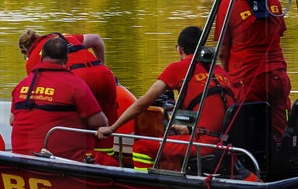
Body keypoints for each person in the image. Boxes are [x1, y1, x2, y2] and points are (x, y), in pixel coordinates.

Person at [98, 25, 236, 169]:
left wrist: (112, 128)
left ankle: (145, 187)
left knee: (141, 147)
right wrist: (189, 129)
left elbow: (143, 103)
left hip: (205, 144)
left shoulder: (179, 68)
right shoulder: (222, 73)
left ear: (180, 49)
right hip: (228, 141)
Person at [216, 0, 291, 141]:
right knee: (279, 129)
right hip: (278, 76)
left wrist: (228, 76)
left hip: (246, 78)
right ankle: (281, 158)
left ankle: (248, 162)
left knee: (244, 130)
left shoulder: (228, 2)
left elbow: (222, 50)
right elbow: (278, 35)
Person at [10, 35, 111, 159]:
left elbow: (13, 120)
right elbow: (101, 122)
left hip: (23, 157)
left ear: (41, 57)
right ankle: (109, 155)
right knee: (110, 160)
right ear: (67, 58)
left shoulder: (22, 85)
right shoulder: (75, 84)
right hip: (105, 74)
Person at [15, 28, 121, 121]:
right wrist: (101, 63)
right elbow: (96, 39)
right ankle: (108, 144)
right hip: (105, 75)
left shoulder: (33, 58)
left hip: (77, 80)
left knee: (76, 122)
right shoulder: (64, 37)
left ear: (26, 51)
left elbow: (37, 92)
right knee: (107, 123)